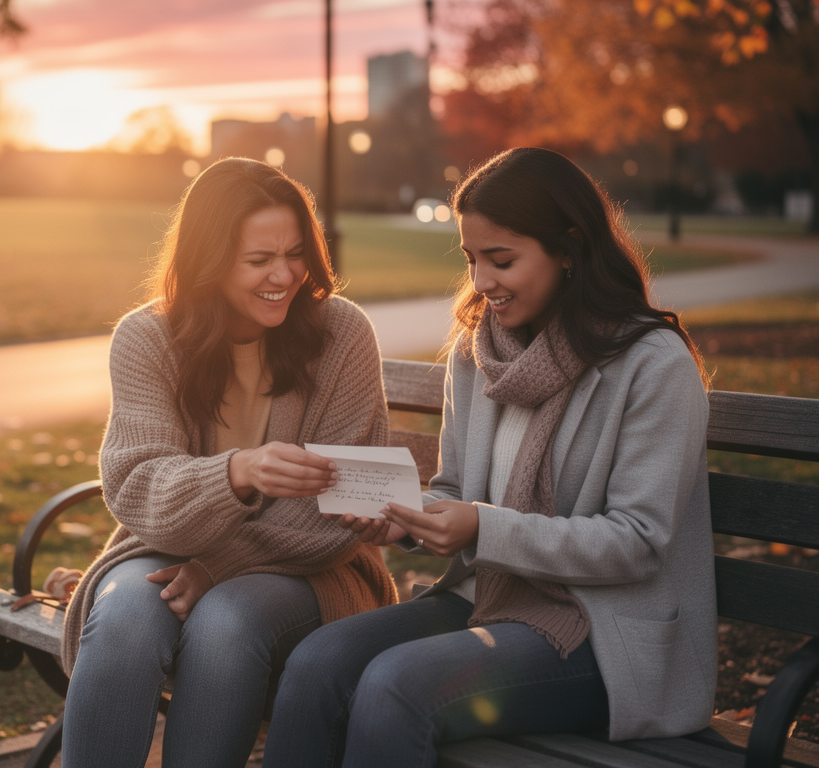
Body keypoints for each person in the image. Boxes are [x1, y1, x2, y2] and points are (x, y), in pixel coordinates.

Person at [264, 147, 717, 768]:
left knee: (396, 686)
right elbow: (455, 489)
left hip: (601, 635)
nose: (480, 283)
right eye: (472, 259)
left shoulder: (652, 365)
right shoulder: (479, 351)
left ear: (569, 248)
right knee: (317, 661)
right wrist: (409, 520)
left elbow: (637, 543)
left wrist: (482, 526)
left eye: (502, 260)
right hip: (486, 599)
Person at [60, 157, 399, 768]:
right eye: (258, 260)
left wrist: (220, 566)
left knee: (226, 621)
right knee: (124, 622)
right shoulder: (146, 339)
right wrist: (236, 471)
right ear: (209, 261)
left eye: (296, 253)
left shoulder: (342, 333)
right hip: (165, 550)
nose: (284, 275)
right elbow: (140, 489)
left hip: (320, 570)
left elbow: (345, 505)